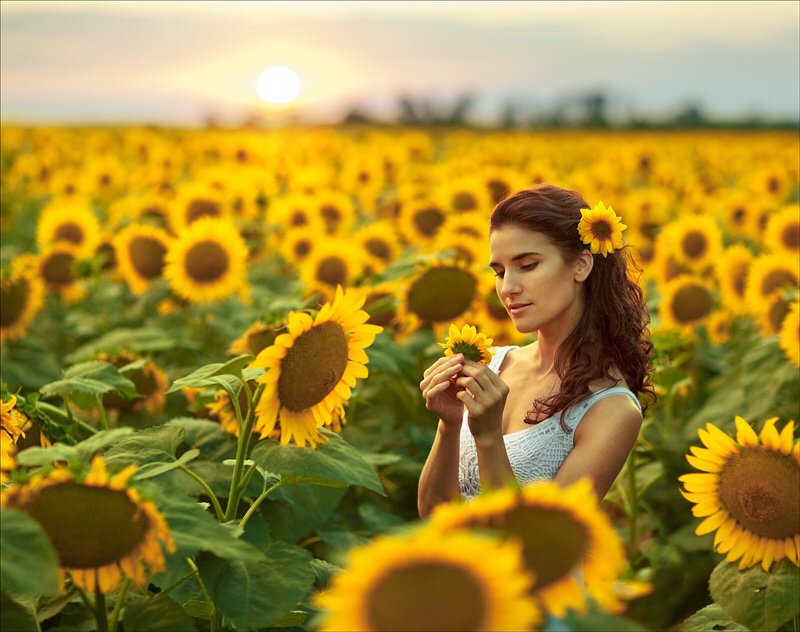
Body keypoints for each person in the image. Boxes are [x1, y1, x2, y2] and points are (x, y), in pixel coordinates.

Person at [417, 184, 655, 518]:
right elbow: (432, 514)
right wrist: (450, 424)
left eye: (527, 265)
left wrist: (488, 438)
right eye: (499, 272)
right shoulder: (495, 364)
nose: (508, 288)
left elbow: (539, 542)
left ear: (581, 265)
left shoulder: (611, 409)